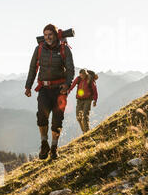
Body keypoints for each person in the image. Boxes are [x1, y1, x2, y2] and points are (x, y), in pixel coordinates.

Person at [24, 24, 74, 160]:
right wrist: (28, 86)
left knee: (57, 120)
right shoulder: (39, 49)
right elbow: (33, 68)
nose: (48, 37)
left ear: (56, 34)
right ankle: (44, 143)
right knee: (41, 117)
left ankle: (54, 147)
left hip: (60, 90)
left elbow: (70, 69)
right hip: (44, 89)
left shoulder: (64, 49)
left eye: (50, 34)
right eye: (45, 35)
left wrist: (67, 85)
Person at [68, 69, 98, 134]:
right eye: (80, 75)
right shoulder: (78, 79)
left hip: (88, 99)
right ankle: (84, 131)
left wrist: (95, 100)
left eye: (83, 75)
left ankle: (87, 132)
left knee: (84, 116)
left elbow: (95, 91)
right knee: (78, 117)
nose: (82, 77)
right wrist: (68, 91)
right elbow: (72, 85)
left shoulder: (90, 80)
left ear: (86, 74)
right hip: (79, 100)